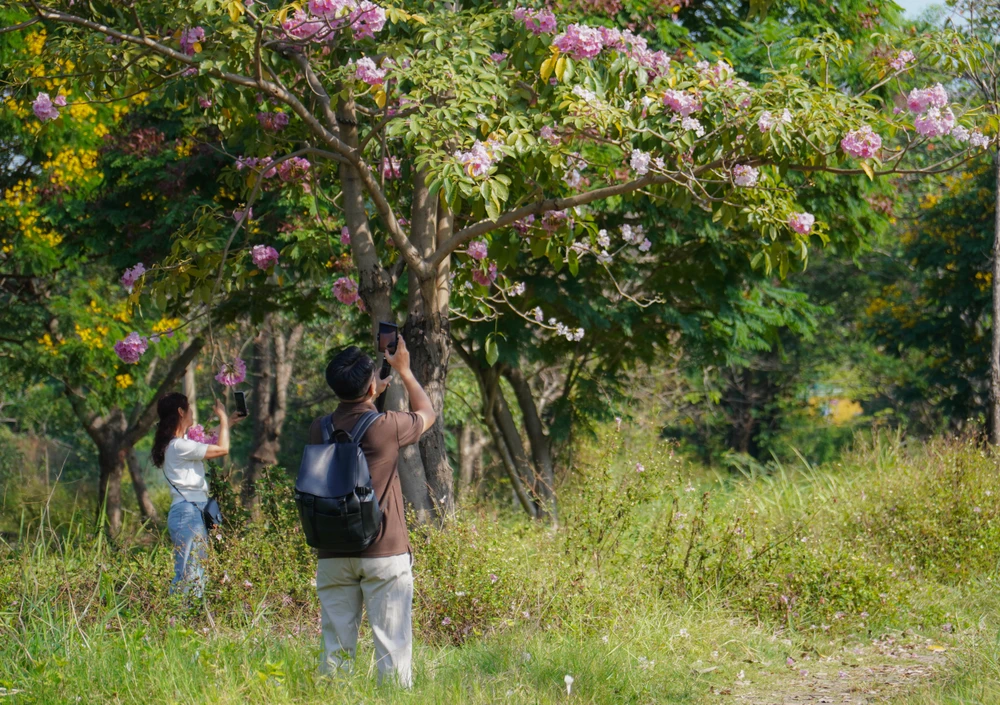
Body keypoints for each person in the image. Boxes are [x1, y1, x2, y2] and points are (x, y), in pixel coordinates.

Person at [310, 336, 435, 687]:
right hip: (384, 553)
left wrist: (366, 396)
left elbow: (350, 424)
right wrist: (405, 372)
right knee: (393, 653)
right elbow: (427, 413)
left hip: (332, 553)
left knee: (334, 655)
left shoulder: (318, 429)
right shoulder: (386, 426)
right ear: (370, 386)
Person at [151, 392, 244, 595]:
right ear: (180, 411)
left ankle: (188, 617)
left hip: (191, 510)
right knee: (189, 571)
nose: (193, 412)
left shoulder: (177, 443)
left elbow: (207, 441)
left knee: (195, 570)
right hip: (188, 512)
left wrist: (228, 422)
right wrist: (221, 417)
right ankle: (178, 618)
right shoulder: (179, 446)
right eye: (190, 408)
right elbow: (222, 449)